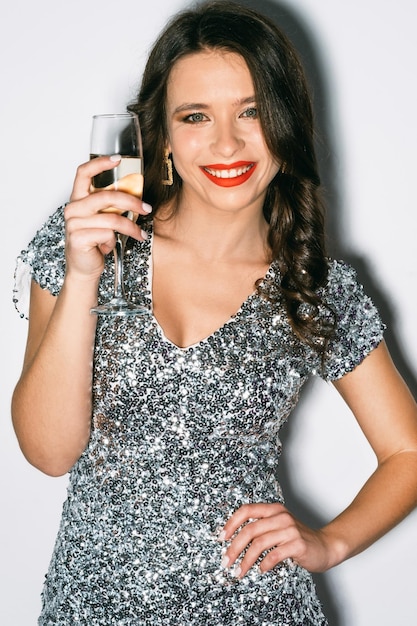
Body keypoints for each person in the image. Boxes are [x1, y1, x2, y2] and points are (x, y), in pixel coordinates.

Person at [11, 1, 417, 624]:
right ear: (163, 137)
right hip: (89, 609)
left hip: (258, 606)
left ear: (285, 126)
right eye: (196, 116)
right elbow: (48, 452)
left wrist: (329, 542)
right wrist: (85, 273)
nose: (226, 142)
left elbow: (408, 453)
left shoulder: (315, 287)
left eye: (251, 112)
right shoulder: (83, 244)